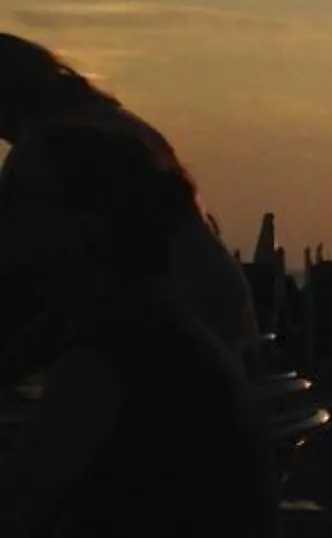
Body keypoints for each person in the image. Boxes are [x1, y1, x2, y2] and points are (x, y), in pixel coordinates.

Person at [0, 115, 280, 538]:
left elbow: (8, 523)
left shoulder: (113, 355)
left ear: (88, 222)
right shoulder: (163, 325)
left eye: (18, 197)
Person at [0, 35, 262, 377]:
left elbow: (25, 260)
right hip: (213, 315)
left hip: (167, 325)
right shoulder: (113, 125)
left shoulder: (50, 149)